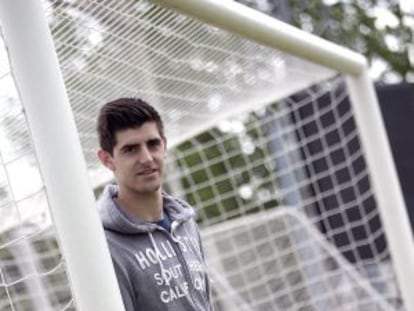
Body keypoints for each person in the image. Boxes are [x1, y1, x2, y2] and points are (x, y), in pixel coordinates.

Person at [96, 98, 213, 311]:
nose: (147, 158)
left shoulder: (185, 223)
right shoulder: (105, 246)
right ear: (107, 159)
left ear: (164, 145)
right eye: (131, 149)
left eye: (153, 144)